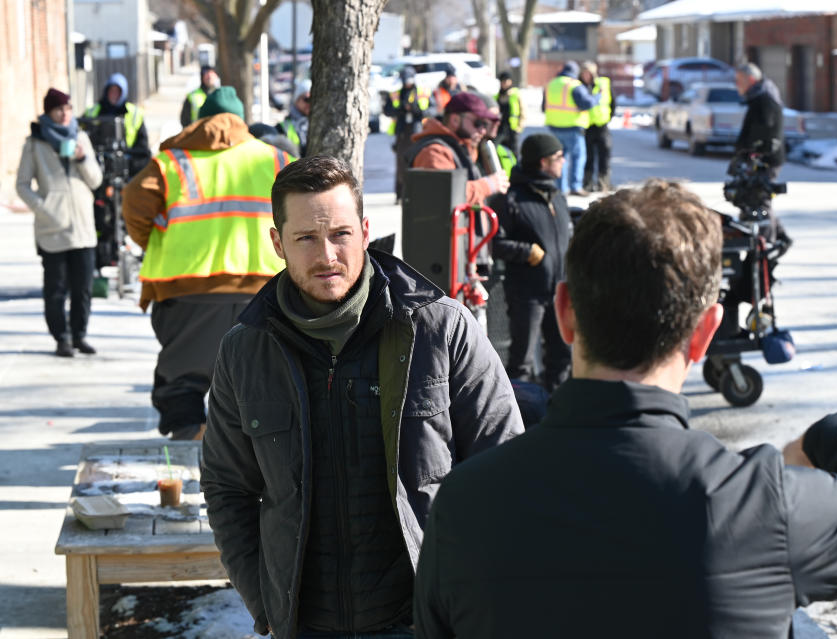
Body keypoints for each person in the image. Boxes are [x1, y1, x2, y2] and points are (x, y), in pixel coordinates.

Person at [414, 181, 837, 638]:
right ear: (704, 334)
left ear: (564, 313)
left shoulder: (465, 502)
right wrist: (825, 436)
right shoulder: (757, 505)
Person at [200, 155, 524, 639]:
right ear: (277, 242)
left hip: (423, 621)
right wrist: (264, 601)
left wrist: (472, 599)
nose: (327, 255)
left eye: (340, 235)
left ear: (366, 231)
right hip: (306, 625)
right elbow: (228, 487)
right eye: (306, 238)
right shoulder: (246, 349)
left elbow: (507, 473)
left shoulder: (441, 330)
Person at [121, 86, 294, 441]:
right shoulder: (277, 160)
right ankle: (255, 458)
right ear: (242, 121)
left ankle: (189, 446)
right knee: (257, 380)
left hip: (186, 290)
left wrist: (156, 243)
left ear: (201, 120)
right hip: (263, 291)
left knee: (182, 378)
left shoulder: (172, 163)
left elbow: (134, 201)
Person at [16, 88, 103, 357]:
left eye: (67, 109)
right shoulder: (35, 143)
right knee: (56, 289)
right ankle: (62, 337)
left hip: (82, 227)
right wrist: (43, 209)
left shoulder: (81, 138)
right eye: (58, 110)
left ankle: (79, 335)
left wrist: (82, 158)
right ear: (48, 113)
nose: (65, 114)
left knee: (83, 287)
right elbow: (22, 185)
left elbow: (96, 180)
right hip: (52, 227)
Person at [490, 133, 571, 392]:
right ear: (543, 162)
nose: (563, 162)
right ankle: (521, 421)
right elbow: (496, 244)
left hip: (558, 291)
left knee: (562, 356)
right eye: (559, 157)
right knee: (522, 362)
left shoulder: (557, 195)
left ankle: (556, 414)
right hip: (528, 294)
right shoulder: (511, 199)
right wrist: (527, 252)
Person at [408, 92, 508, 206]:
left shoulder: (464, 147)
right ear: (455, 120)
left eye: (485, 125)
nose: (482, 131)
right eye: (478, 123)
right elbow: (444, 194)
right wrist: (487, 185)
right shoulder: (434, 152)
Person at [542, 61, 597, 196]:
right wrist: (597, 97)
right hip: (572, 128)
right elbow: (587, 103)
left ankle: (561, 188)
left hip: (554, 127)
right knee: (578, 157)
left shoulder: (551, 84)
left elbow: (544, 107)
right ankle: (575, 186)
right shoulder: (574, 85)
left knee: (560, 159)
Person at [83, 72, 150, 176]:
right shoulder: (93, 111)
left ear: (123, 93)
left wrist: (131, 162)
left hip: (128, 162)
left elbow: (143, 146)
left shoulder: (134, 113)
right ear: (106, 91)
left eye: (117, 91)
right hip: (100, 163)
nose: (114, 95)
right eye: (111, 91)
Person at [384, 66, 432, 202]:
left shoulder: (422, 92)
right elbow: (387, 110)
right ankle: (400, 194)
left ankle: (417, 193)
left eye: (409, 80)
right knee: (401, 164)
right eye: (405, 80)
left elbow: (431, 110)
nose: (407, 83)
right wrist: (400, 110)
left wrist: (416, 109)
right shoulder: (397, 94)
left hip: (417, 132)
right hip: (402, 133)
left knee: (418, 163)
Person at [579, 61, 615, 192]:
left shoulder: (604, 84)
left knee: (604, 156)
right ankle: (587, 183)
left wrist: (608, 117)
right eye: (583, 73)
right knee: (588, 157)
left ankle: (603, 183)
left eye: (588, 73)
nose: (586, 76)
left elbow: (613, 103)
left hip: (602, 126)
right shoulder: (579, 87)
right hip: (586, 127)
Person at [278, 79, 311, 157]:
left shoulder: (318, 124)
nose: (310, 103)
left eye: (314, 99)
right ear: (297, 100)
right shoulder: (282, 128)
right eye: (307, 99)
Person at [494, 71, 524, 157]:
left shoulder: (515, 94)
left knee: (514, 151)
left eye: (507, 81)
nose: (505, 83)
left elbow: (523, 111)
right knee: (496, 147)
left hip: (512, 128)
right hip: (500, 128)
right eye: (503, 81)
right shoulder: (497, 96)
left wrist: (519, 127)